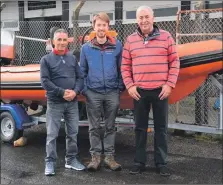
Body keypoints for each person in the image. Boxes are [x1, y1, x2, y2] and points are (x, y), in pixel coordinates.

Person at [121, 6, 180, 176]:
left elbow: (175, 62)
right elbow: (125, 66)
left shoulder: (166, 37)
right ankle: (139, 161)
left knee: (161, 128)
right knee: (140, 128)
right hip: (139, 91)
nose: (144, 20)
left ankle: (161, 163)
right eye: (140, 17)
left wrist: (169, 84)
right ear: (137, 20)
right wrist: (130, 85)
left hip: (160, 90)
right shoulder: (130, 40)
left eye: (147, 17)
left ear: (153, 18)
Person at [80, 12, 125, 171]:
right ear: (94, 27)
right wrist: (85, 89)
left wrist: (120, 86)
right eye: (98, 25)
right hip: (93, 92)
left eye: (104, 25)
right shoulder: (86, 48)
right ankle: (95, 157)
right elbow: (82, 71)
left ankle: (109, 157)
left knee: (110, 126)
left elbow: (122, 68)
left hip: (112, 92)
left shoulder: (117, 46)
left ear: (108, 27)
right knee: (94, 127)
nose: (101, 28)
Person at [40, 28, 85, 176]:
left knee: (73, 133)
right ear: (53, 41)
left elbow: (80, 78)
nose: (61, 43)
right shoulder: (46, 60)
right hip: (55, 102)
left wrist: (75, 91)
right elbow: (45, 81)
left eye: (64, 40)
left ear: (68, 42)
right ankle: (50, 162)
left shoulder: (72, 59)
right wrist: (61, 92)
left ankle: (71, 159)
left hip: (72, 102)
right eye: (58, 40)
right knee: (52, 134)